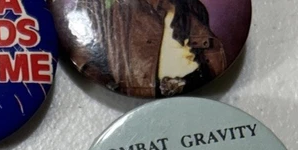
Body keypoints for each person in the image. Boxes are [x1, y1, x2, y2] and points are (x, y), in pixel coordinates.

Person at [64, 0, 227, 98]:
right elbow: (82, 53)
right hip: (129, 102)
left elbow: (211, 61)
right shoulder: (108, 11)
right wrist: (114, 86)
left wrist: (186, 82)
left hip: (193, 100)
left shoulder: (191, 8)